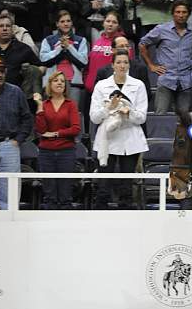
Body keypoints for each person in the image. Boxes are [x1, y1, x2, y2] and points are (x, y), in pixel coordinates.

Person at [90, 49, 148, 209]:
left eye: (125, 62)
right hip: (107, 140)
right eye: (119, 62)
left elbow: (142, 117)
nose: (122, 66)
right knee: (103, 184)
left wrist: (129, 112)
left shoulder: (138, 85)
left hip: (130, 139)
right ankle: (100, 214)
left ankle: (127, 214)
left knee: (127, 184)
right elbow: (94, 117)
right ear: (112, 65)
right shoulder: (102, 85)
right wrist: (109, 108)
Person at [0, 56, 33, 210]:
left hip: (9, 145)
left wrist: (18, 140)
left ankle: (11, 225)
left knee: (10, 192)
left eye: (2, 71)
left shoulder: (16, 92)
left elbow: (27, 118)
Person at [140, 0, 192, 115]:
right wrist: (151, 65)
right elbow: (142, 44)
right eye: (178, 12)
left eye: (184, 12)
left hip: (185, 81)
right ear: (173, 14)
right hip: (166, 79)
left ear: (189, 14)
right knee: (160, 115)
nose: (181, 15)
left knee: (185, 119)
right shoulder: (162, 30)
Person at [33, 71, 81, 209]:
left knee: (65, 193)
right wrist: (40, 107)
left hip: (66, 152)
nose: (60, 83)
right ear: (49, 84)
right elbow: (41, 130)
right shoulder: (45, 104)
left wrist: (55, 134)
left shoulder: (70, 104)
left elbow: (76, 129)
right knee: (49, 195)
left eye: (62, 81)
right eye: (56, 80)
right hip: (46, 153)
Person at [40, 10, 89, 109]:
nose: (66, 24)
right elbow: (43, 59)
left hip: (74, 83)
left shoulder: (81, 40)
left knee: (74, 115)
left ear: (71, 23)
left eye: (68, 21)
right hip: (53, 83)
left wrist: (70, 47)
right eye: (62, 21)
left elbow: (84, 61)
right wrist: (59, 48)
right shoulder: (48, 40)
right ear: (57, 24)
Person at [0, 13, 42, 96]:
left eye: (8, 26)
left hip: (16, 95)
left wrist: (31, 74)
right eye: (1, 26)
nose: (5, 29)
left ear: (12, 29)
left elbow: (41, 67)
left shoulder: (23, 48)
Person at [95, 36, 150, 106]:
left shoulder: (141, 68)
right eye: (121, 46)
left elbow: (146, 95)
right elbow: (97, 98)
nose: (125, 49)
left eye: (127, 46)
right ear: (113, 50)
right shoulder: (103, 71)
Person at [84, 11, 122, 94]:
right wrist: (87, 82)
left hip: (110, 89)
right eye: (108, 21)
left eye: (114, 22)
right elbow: (90, 63)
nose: (110, 24)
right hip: (91, 88)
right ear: (103, 23)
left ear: (118, 26)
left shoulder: (121, 42)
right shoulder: (97, 41)